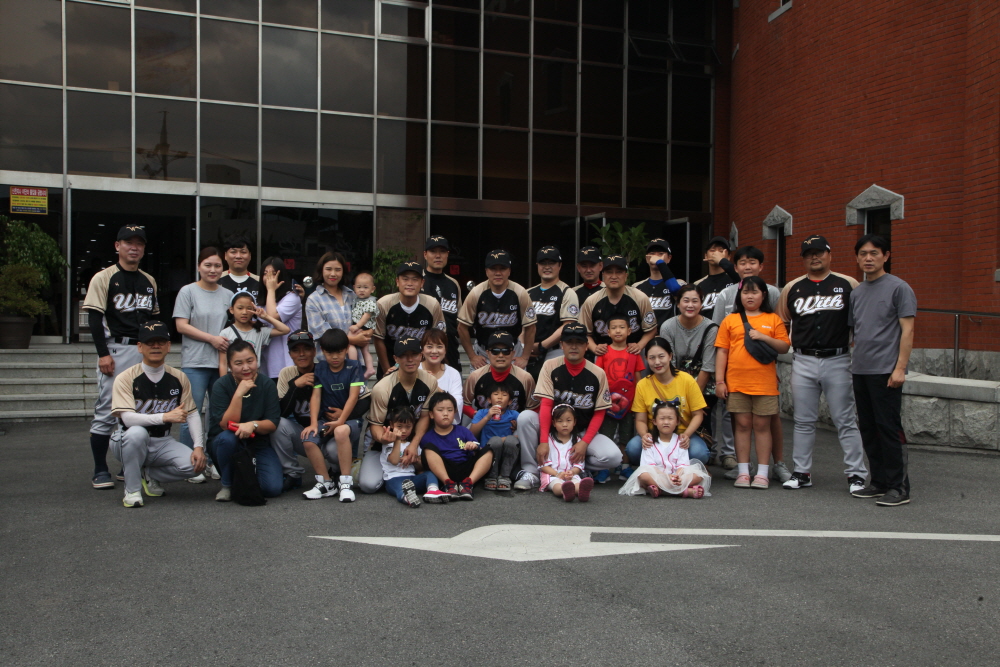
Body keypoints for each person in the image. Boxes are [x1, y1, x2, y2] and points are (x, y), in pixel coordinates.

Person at [776, 235, 867, 494]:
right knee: (803, 421)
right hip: (803, 359)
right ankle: (802, 472)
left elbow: (860, 321)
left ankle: (856, 474)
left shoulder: (848, 284)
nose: (814, 257)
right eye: (808, 254)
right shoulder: (792, 287)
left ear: (829, 254)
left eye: (818, 252)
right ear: (803, 259)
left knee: (845, 420)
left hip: (838, 358)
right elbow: (781, 323)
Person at [83, 224, 159, 489]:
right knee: (108, 409)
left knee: (141, 408)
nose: (134, 248)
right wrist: (103, 354)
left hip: (144, 350)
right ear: (118, 246)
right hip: (116, 348)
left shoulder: (149, 280)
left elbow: (154, 319)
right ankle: (100, 469)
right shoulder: (103, 277)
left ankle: (130, 466)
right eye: (128, 242)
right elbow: (94, 319)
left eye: (139, 243)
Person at [711, 246, 790, 482]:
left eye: (752, 262)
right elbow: (721, 348)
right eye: (746, 292)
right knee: (741, 424)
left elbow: (783, 344)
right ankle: (743, 469)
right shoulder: (729, 311)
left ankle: (768, 470)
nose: (750, 296)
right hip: (736, 380)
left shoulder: (773, 308)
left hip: (765, 380)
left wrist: (764, 337)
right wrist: (719, 380)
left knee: (765, 424)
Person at [849, 234, 916, 507]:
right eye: (863, 253)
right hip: (860, 370)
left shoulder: (899, 288)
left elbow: (908, 330)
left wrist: (900, 369)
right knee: (868, 428)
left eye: (874, 253)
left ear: (886, 256)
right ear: (857, 258)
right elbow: (856, 333)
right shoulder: (857, 293)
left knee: (889, 429)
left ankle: (899, 487)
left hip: (886, 371)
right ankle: (878, 482)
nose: (868, 258)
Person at [109, 322, 205, 508]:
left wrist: (198, 447)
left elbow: (192, 414)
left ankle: (148, 474)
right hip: (127, 438)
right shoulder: (125, 377)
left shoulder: (179, 377)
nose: (155, 346)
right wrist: (164, 417)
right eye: (149, 342)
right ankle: (132, 490)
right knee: (137, 433)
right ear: (140, 347)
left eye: (160, 342)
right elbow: (127, 419)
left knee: (195, 467)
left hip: (163, 441)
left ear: (168, 346)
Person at [513, 322, 620, 490]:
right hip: (552, 431)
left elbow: (599, 412)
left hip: (581, 430)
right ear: (562, 345)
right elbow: (546, 405)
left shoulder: (597, 373)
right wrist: (543, 441)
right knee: (526, 417)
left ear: (586, 346)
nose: (574, 346)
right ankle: (531, 471)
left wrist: (584, 443)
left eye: (579, 342)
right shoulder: (550, 365)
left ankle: (577, 469)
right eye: (569, 342)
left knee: (613, 457)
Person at [172, 246, 232, 482]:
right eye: (208, 265)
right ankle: (190, 462)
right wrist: (212, 339)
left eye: (217, 265)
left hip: (221, 363)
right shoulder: (187, 291)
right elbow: (181, 325)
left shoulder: (228, 294)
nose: (212, 269)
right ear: (199, 266)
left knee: (218, 415)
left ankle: (215, 460)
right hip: (195, 361)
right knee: (191, 413)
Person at [361, 337, 439, 494]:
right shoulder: (382, 388)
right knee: (368, 485)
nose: (409, 359)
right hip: (384, 445)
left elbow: (424, 416)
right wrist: (384, 438)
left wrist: (414, 444)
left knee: (438, 472)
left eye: (414, 354)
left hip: (415, 441)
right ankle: (392, 476)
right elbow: (375, 425)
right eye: (403, 355)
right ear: (395, 358)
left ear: (421, 355)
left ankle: (405, 475)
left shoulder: (430, 381)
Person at [208, 340, 283, 501]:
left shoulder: (267, 384)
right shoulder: (221, 385)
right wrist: (238, 394)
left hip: (258, 442)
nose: (246, 367)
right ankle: (227, 485)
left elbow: (272, 423)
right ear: (229, 365)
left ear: (256, 360)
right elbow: (226, 424)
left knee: (272, 488)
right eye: (238, 363)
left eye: (250, 361)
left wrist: (253, 425)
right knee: (228, 438)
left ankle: (244, 478)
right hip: (226, 442)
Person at [298, 328, 368, 502]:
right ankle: (326, 483)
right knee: (308, 439)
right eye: (329, 353)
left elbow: (353, 397)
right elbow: (316, 396)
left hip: (350, 420)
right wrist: (313, 423)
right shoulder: (320, 368)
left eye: (339, 352)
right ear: (322, 351)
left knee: (340, 431)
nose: (335, 357)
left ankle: (345, 484)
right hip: (325, 419)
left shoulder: (354, 366)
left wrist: (341, 420)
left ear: (346, 349)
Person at [626, 337, 711, 475]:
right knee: (633, 449)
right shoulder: (643, 385)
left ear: (670, 356)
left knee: (699, 453)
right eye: (652, 358)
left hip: (682, 433)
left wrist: (687, 435)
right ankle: (665, 468)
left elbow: (698, 414)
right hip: (656, 434)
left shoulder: (687, 380)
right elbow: (640, 419)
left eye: (661, 356)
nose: (657, 362)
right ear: (646, 359)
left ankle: (679, 469)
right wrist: (644, 435)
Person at [458, 249, 537, 370]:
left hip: (513, 352)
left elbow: (531, 327)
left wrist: (525, 357)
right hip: (483, 353)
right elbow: (462, 327)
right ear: (486, 271)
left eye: (502, 268)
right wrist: (472, 356)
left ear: (509, 271)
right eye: (493, 269)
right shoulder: (476, 293)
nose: (498, 273)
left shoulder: (520, 292)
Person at [619, 400, 710, 498]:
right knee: (643, 475)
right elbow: (648, 466)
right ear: (654, 421)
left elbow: (683, 465)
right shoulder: (649, 440)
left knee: (699, 475)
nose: (666, 422)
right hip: (657, 476)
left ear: (677, 421)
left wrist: (677, 477)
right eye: (662, 418)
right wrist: (666, 477)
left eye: (670, 418)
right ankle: (682, 492)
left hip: (676, 477)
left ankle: (661, 489)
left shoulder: (681, 440)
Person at [373, 261, 445, 377]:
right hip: (390, 363)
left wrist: (427, 369)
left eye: (415, 279)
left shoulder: (432, 304)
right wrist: (387, 371)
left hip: (422, 368)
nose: (410, 283)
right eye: (405, 279)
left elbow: (438, 338)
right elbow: (378, 339)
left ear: (422, 283)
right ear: (397, 281)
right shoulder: (384, 304)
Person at [578, 255, 657, 360]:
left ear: (626, 275)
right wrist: (594, 348)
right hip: (603, 355)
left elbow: (651, 329)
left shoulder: (640, 298)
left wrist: (639, 345)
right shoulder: (591, 301)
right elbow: (584, 332)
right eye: (609, 272)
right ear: (603, 275)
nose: (614, 276)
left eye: (619, 272)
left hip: (634, 354)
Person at [420, 392, 493, 500]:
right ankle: (448, 484)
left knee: (488, 450)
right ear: (431, 414)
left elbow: (478, 447)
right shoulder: (427, 437)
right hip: (444, 470)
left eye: (450, 410)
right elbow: (424, 461)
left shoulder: (463, 430)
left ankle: (468, 485)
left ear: (455, 412)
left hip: (466, 468)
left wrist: (473, 445)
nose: (446, 414)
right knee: (428, 449)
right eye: (440, 410)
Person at [271, 330, 319, 491]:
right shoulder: (287, 373)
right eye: (296, 350)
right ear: (290, 354)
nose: (301, 354)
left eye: (306, 349)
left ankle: (337, 470)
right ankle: (292, 473)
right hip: (302, 433)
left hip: (326, 432)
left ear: (314, 351)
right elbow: (281, 412)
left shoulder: (325, 370)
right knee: (278, 424)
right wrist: (294, 386)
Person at [595, 313, 643, 467]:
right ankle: (604, 468)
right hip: (607, 402)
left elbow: (639, 380)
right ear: (608, 332)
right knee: (606, 434)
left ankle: (625, 466)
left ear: (629, 331)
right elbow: (598, 378)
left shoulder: (634, 353)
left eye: (622, 327)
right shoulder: (604, 352)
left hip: (628, 403)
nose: (618, 331)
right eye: (614, 328)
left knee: (626, 436)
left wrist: (638, 402)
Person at [526, 245, 580, 380]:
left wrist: (542, 346)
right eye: (543, 263)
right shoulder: (528, 293)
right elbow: (522, 325)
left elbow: (568, 325)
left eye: (551, 263)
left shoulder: (567, 292)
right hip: (528, 352)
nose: (547, 267)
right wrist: (524, 347)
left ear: (559, 265)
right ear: (537, 265)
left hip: (555, 351)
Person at [379, 406, 450, 507]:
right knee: (400, 488)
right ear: (391, 424)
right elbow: (394, 461)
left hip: (411, 477)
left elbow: (421, 465)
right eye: (399, 426)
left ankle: (433, 491)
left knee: (429, 474)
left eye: (408, 427)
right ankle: (407, 498)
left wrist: (414, 459)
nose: (404, 430)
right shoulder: (388, 443)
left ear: (413, 426)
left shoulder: (412, 445)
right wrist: (397, 440)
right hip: (393, 478)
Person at [462, 331, 538, 423]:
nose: (501, 355)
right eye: (495, 351)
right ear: (488, 353)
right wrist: (478, 416)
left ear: (513, 353)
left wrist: (519, 423)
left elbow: (534, 408)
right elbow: (464, 404)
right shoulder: (475, 376)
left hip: (514, 425)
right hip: (484, 423)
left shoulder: (525, 377)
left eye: (506, 351)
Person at [305, 251, 371, 354]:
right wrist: (353, 340)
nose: (333, 274)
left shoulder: (352, 295)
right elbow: (322, 334)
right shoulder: (314, 300)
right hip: (330, 359)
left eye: (338, 270)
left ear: (343, 271)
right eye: (328, 269)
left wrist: (366, 334)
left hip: (357, 359)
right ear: (321, 270)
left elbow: (367, 321)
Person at [218, 291, 290, 376]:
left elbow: (285, 330)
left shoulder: (259, 331)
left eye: (249, 308)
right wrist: (224, 382)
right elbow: (223, 363)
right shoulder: (225, 333)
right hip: (234, 376)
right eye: (240, 308)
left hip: (254, 376)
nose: (244, 312)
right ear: (231, 310)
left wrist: (266, 317)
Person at [421, 235, 463, 373]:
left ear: (447, 254)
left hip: (450, 348)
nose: (438, 256)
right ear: (425, 255)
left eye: (442, 251)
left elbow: (459, 320)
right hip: (424, 349)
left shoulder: (453, 284)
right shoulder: (417, 282)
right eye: (433, 251)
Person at [538, 404, 595, 502]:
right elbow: (543, 465)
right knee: (557, 485)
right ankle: (565, 491)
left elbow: (579, 464)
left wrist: (572, 472)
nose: (564, 424)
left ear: (574, 422)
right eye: (560, 421)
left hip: (570, 475)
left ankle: (581, 492)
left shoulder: (577, 441)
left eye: (568, 420)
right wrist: (557, 474)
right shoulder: (547, 441)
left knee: (577, 483)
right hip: (552, 475)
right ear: (554, 423)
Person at [469, 383, 520, 492]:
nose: (500, 397)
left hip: (507, 452)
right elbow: (471, 433)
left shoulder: (514, 414)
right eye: (496, 394)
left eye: (504, 395)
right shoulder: (482, 413)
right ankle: (491, 476)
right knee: (495, 441)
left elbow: (523, 434)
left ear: (510, 401)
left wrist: (517, 427)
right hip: (487, 452)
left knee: (511, 440)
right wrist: (487, 417)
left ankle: (505, 476)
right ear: (489, 399)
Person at [260, 256, 302, 381]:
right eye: (265, 274)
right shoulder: (260, 301)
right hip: (265, 364)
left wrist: (271, 289)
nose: (269, 278)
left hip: (286, 363)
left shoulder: (292, 298)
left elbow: (272, 316)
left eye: (274, 274)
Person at [633, 238, 686, 329]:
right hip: (646, 335)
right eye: (652, 254)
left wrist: (660, 263)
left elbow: (675, 289)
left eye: (660, 254)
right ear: (647, 258)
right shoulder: (637, 286)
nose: (655, 257)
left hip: (669, 335)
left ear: (669, 258)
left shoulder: (679, 283)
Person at [421, 328, 463, 423]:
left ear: (445, 350)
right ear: (422, 350)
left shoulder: (453, 373)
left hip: (444, 425)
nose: (434, 351)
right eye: (429, 346)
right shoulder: (415, 370)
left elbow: (457, 405)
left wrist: (435, 386)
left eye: (439, 347)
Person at [693, 236, 740, 320]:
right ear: (706, 255)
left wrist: (722, 261)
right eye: (712, 250)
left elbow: (743, 278)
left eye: (721, 251)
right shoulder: (698, 284)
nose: (716, 254)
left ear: (729, 257)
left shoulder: (735, 278)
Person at [349, 271, 378, 380]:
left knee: (350, 344)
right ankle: (370, 368)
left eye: (365, 287)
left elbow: (366, 316)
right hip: (361, 326)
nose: (362, 290)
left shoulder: (370, 301)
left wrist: (357, 326)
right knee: (365, 350)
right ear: (354, 288)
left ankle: (354, 367)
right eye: (359, 287)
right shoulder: (357, 299)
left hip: (362, 327)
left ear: (372, 289)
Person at [217, 234, 260, 303]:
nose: (238, 256)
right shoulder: (216, 280)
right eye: (233, 252)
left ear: (250, 255)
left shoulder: (260, 282)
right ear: (225, 255)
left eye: (243, 252)